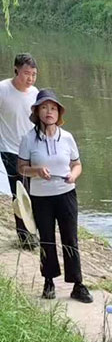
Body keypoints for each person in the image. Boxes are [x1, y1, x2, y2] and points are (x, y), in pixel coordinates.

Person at [18, 88, 91, 303]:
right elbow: (21, 168)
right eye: (44, 107)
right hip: (41, 197)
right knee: (46, 238)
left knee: (70, 238)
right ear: (37, 112)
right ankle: (48, 281)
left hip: (66, 194)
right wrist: (37, 171)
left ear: (59, 113)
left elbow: (77, 164)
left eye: (53, 108)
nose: (49, 112)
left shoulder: (67, 137)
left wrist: (73, 175)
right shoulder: (28, 139)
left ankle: (77, 284)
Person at [0, 52, 38, 248]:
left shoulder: (35, 93)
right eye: (26, 73)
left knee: (34, 193)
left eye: (33, 74)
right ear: (16, 70)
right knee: (20, 192)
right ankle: (24, 237)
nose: (30, 78)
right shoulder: (3, 90)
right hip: (9, 149)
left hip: (32, 150)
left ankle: (33, 232)